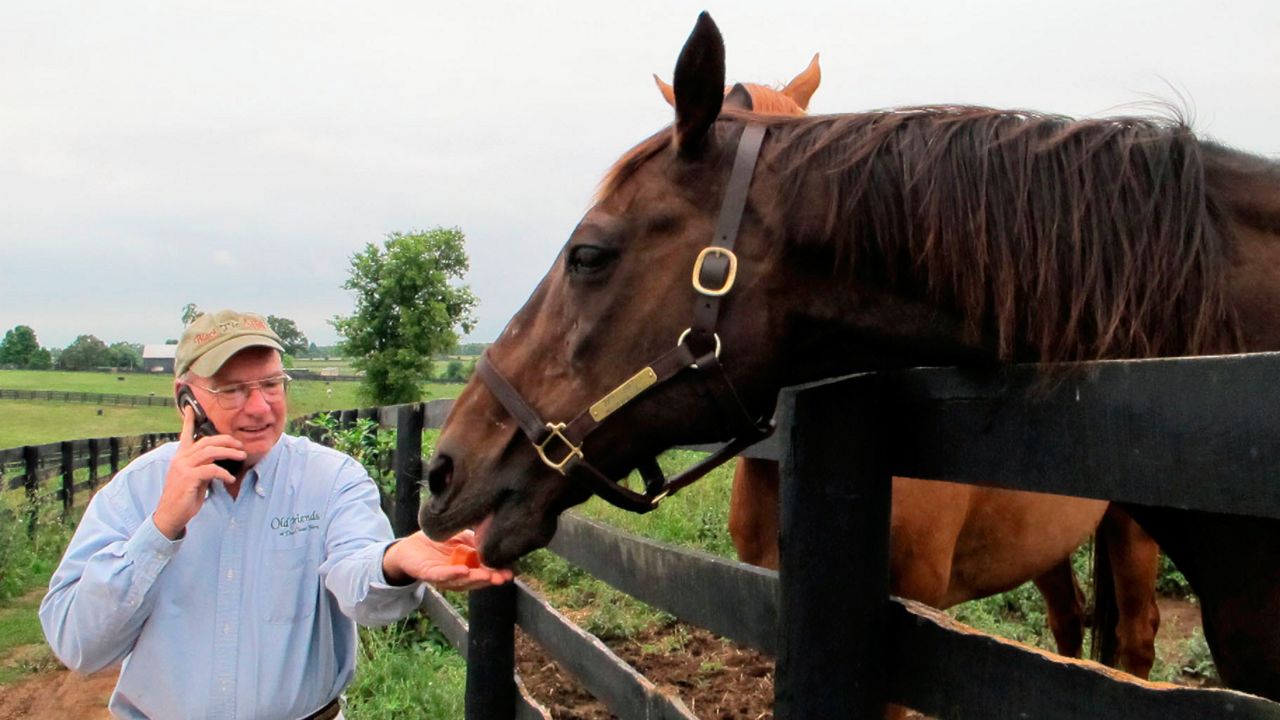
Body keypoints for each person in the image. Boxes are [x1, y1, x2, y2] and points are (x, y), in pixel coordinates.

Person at [39, 309, 511, 720]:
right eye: (233, 390)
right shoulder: (136, 492)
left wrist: (393, 561)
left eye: (271, 384)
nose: (260, 407)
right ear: (186, 398)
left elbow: (363, 591)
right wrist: (162, 527)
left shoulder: (330, 480)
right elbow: (79, 646)